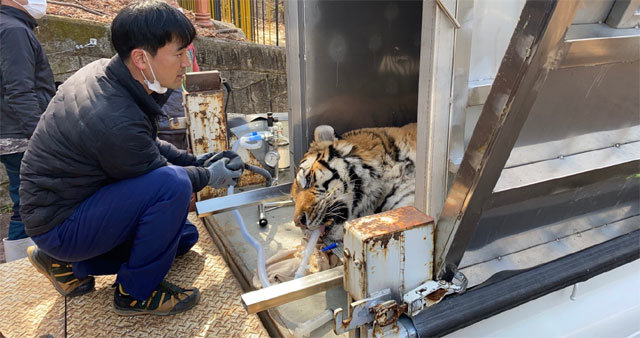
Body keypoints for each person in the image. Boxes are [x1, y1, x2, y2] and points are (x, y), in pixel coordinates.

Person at [21, 0, 243, 316]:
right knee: (173, 187)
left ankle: (67, 265)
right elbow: (161, 176)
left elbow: (145, 146)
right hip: (60, 223)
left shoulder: (107, 74)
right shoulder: (111, 116)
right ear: (141, 57)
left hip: (72, 205)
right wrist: (208, 175)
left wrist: (197, 160)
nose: (185, 63)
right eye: (178, 54)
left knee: (183, 238)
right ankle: (135, 292)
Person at [0, 0, 55, 261]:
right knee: (31, 203)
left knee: (26, 199)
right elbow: (19, 89)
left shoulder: (10, 26)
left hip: (11, 130)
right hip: (19, 135)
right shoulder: (14, 30)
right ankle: (21, 269)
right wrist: (40, 135)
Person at [157, 0, 200, 150]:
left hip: (174, 117)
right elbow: (195, 76)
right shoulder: (185, 44)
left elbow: (194, 74)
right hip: (172, 117)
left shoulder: (180, 45)